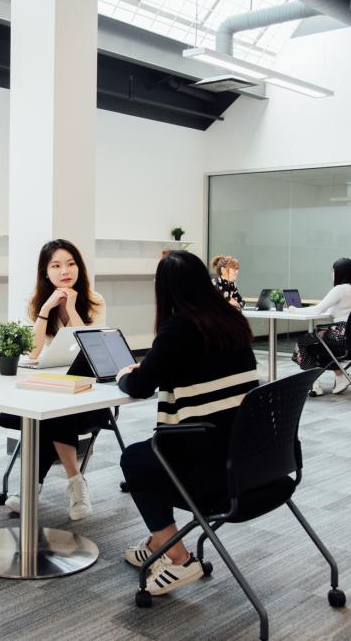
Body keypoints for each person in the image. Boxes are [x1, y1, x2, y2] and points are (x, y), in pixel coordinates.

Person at [116, 251, 258, 596]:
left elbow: (139, 387)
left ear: (164, 290)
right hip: (255, 459)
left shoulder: (178, 329)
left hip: (212, 468)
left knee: (137, 460)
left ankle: (178, 558)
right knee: (151, 455)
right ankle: (157, 545)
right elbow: (200, 367)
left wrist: (125, 374)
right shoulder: (233, 320)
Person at [3, 239, 105, 520]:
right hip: (50, 388)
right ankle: (76, 482)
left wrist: (71, 308)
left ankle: (33, 489)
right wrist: (46, 310)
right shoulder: (36, 304)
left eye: (71, 264)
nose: (65, 271)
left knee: (48, 414)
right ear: (45, 272)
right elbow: (33, 353)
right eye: (56, 265)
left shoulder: (95, 301)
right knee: (46, 410)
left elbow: (90, 346)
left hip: (89, 393)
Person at [289, 257, 351, 395]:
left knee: (303, 342)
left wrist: (295, 310)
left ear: (339, 272)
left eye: (333, 271)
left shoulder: (340, 289)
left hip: (341, 337)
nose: (332, 274)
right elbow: (329, 310)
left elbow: (318, 310)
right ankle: (341, 376)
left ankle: (314, 383)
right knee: (317, 344)